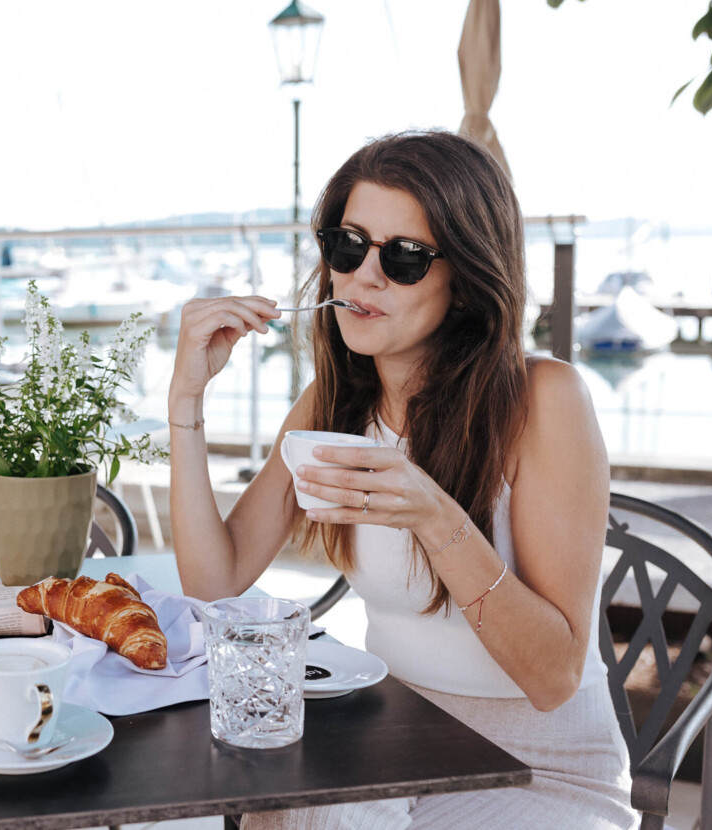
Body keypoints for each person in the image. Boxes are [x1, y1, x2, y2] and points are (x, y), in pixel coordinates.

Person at [167, 130, 637, 829]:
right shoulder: (335, 402)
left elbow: (553, 677)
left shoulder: (545, 400)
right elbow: (216, 581)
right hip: (390, 747)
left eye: (406, 258)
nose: (364, 277)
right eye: (348, 246)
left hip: (541, 771)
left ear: (468, 275)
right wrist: (186, 404)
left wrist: (437, 519)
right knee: (244, 809)